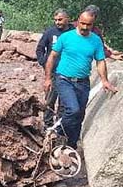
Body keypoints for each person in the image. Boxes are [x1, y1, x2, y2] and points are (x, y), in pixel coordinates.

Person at [43, 10, 117, 149]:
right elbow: (52, 56)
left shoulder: (95, 40)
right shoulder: (66, 37)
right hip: (64, 79)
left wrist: (104, 81)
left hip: (83, 82)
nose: (84, 27)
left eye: (88, 25)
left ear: (93, 24)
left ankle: (71, 146)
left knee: (79, 117)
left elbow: (100, 61)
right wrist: (47, 78)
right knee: (73, 110)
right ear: (78, 21)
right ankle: (55, 131)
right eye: (82, 23)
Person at [37, 9, 74, 128]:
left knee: (64, 102)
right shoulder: (50, 32)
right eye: (56, 20)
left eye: (60, 19)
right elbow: (40, 49)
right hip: (52, 73)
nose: (57, 22)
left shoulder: (74, 33)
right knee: (49, 100)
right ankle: (47, 125)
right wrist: (44, 63)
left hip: (68, 73)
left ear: (67, 19)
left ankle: (59, 127)